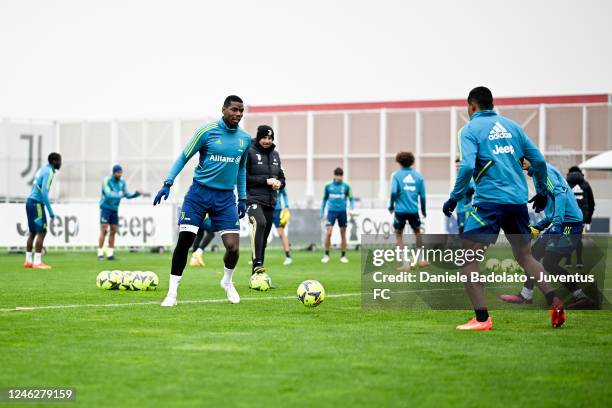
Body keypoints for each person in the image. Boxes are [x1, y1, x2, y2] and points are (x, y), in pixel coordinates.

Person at [442, 86, 565, 331]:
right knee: (525, 256)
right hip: (517, 202)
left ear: (471, 106)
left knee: (469, 259)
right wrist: (541, 192)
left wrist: (455, 198)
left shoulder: (469, 130)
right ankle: (554, 300)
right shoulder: (513, 127)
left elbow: (466, 167)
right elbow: (539, 161)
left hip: (489, 203)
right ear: (491, 103)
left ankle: (481, 319)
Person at [153, 95, 251, 307]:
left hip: (225, 199)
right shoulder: (206, 131)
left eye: (241, 111)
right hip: (198, 195)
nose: (238, 114)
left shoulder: (245, 139)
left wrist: (242, 198)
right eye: (234, 110)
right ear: (223, 109)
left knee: (233, 247)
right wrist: (167, 183)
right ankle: (172, 293)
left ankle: (227, 281)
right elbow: (183, 156)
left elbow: (242, 169)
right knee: (185, 241)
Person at [500, 160, 594, 308]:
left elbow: (561, 194)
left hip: (568, 225)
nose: (519, 162)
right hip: (560, 222)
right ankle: (526, 295)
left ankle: (582, 297)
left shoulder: (543, 171)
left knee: (549, 262)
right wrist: (537, 228)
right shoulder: (538, 174)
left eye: (522, 158)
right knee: (533, 254)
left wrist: (557, 224)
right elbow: (551, 209)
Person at [246, 125, 286, 276]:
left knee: (263, 238)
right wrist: (266, 181)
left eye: (270, 138)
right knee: (260, 223)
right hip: (252, 199)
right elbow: (244, 178)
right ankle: (257, 264)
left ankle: (257, 275)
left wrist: (279, 183)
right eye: (264, 138)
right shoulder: (249, 152)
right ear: (258, 138)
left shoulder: (275, 155)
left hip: (270, 201)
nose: (267, 141)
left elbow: (282, 177)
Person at [388, 152, 429, 271]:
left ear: (399, 161)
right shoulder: (418, 176)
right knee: (418, 233)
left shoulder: (396, 175)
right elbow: (423, 196)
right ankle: (421, 260)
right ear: (412, 161)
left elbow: (393, 192)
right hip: (413, 210)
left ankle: (406, 263)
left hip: (400, 210)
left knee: (399, 235)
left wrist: (391, 205)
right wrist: (424, 210)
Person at [24, 152, 61, 269]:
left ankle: (28, 261)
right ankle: (37, 262)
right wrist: (50, 212)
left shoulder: (42, 169)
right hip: (36, 203)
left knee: (33, 232)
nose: (61, 163)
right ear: (54, 161)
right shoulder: (49, 171)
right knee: (42, 231)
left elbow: (36, 187)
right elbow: (44, 192)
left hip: (30, 201)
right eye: (60, 161)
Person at [98, 165, 141, 260]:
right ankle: (100, 253)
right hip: (105, 208)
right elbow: (108, 194)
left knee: (113, 230)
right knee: (104, 230)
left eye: (121, 172)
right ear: (114, 172)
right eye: (118, 172)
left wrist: (135, 195)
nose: (120, 174)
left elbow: (127, 195)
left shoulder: (122, 182)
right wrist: (121, 195)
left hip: (114, 209)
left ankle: (110, 254)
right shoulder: (107, 180)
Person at [321, 167, 354, 264]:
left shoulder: (346, 186)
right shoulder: (328, 186)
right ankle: (326, 254)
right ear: (334, 175)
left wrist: (351, 208)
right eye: (337, 175)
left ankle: (343, 255)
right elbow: (324, 199)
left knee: (343, 233)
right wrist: (322, 212)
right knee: (329, 233)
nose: (339, 177)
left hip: (342, 212)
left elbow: (351, 198)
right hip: (331, 212)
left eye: (341, 175)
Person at [565, 166, 595, 268]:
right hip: (580, 218)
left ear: (568, 174)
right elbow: (591, 203)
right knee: (578, 238)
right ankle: (579, 261)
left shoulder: (566, 184)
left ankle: (568, 261)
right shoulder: (585, 184)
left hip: (568, 217)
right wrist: (588, 218)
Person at [454, 158, 475, 235]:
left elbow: (474, 189)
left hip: (466, 210)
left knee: (466, 232)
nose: (457, 168)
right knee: (461, 232)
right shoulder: (458, 178)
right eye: (456, 166)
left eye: (459, 166)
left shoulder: (468, 178)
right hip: (459, 210)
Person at [273, 187, 292, 265]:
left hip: (277, 211)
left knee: (281, 234)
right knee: (261, 234)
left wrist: (286, 206)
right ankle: (256, 258)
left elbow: (284, 194)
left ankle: (288, 257)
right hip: (266, 210)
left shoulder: (279, 181)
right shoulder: (265, 179)